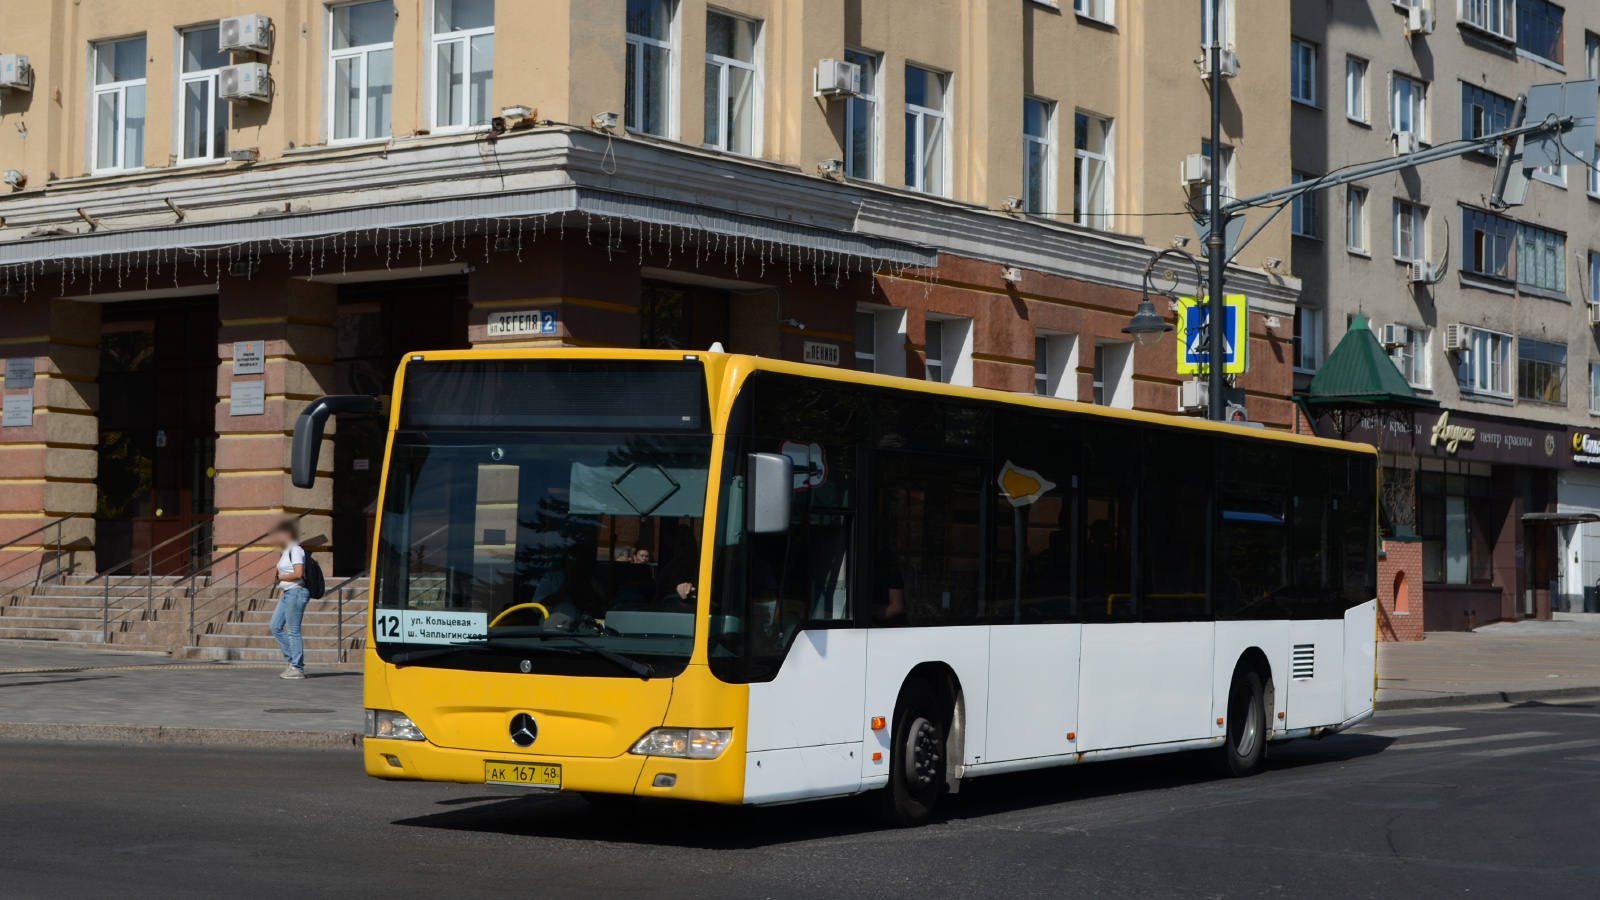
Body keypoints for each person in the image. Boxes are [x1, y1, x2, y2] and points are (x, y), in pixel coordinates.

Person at [268, 519, 309, 680]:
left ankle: (297, 667)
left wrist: (280, 577)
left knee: (293, 631)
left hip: (297, 592)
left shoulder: (296, 550)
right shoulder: (286, 551)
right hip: (287, 593)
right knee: (275, 626)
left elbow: (299, 574)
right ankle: (292, 661)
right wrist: (281, 592)